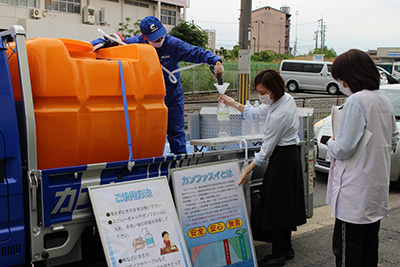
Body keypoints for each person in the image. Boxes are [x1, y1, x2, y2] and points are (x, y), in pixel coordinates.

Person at [91, 16, 224, 154]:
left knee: (176, 129)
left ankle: (180, 161)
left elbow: (195, 52)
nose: (160, 40)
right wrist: (104, 42)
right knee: (149, 131)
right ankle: (149, 162)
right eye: (155, 39)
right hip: (148, 94)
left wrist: (216, 61)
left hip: (172, 92)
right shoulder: (134, 44)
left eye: (161, 36)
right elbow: (102, 44)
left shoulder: (173, 44)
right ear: (144, 36)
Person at [220, 69, 306, 267]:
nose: (260, 96)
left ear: (273, 89)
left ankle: (277, 255)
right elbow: (256, 112)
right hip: (289, 158)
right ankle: (286, 247)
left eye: (262, 92)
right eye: (257, 92)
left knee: (276, 206)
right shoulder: (284, 99)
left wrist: (246, 170)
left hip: (282, 160)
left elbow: (266, 150)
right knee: (286, 204)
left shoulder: (280, 114)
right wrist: (231, 102)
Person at [324, 49, 399, 267]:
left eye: (340, 78)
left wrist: (331, 141)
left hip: (354, 194)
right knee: (368, 250)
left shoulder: (356, 101)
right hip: (374, 191)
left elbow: (344, 148)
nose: (340, 83)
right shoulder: (383, 99)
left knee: (348, 251)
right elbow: (393, 140)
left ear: (351, 76)